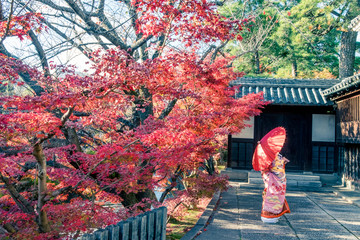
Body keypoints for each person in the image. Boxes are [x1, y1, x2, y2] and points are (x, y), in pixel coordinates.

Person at [260, 152, 291, 223]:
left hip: (273, 179)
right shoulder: (269, 155)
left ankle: (273, 215)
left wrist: (282, 161)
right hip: (273, 179)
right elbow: (275, 168)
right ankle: (270, 216)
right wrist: (282, 162)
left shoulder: (273, 154)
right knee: (271, 195)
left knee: (272, 195)